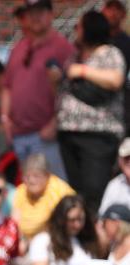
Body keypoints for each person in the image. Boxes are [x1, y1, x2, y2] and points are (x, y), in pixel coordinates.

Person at [55, 10, 126, 216]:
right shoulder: (75, 56)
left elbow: (116, 79)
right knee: (75, 191)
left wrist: (83, 71)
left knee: (94, 192)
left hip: (97, 136)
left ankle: (95, 237)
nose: (75, 31)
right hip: (68, 133)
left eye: (79, 26)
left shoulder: (110, 53)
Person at [2, 0, 74, 179]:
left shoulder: (62, 47)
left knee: (54, 190)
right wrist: (5, 119)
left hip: (45, 136)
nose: (35, 17)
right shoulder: (18, 47)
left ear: (50, 14)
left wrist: (55, 122)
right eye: (31, 12)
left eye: (40, 11)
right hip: (19, 136)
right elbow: (7, 87)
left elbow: (73, 91)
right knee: (28, 191)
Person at [12, 153, 76, 239]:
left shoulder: (60, 191)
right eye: (27, 176)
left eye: (36, 176)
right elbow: (14, 222)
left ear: (47, 175)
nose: (31, 180)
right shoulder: (21, 191)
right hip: (25, 241)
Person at [102, 0, 130, 134]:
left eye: (117, 9)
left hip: (121, 107)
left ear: (123, 14)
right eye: (110, 9)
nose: (113, 13)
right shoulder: (94, 41)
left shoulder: (127, 43)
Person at [100, 137, 130, 216]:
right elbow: (102, 218)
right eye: (126, 158)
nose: (129, 161)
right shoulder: (114, 185)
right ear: (120, 161)